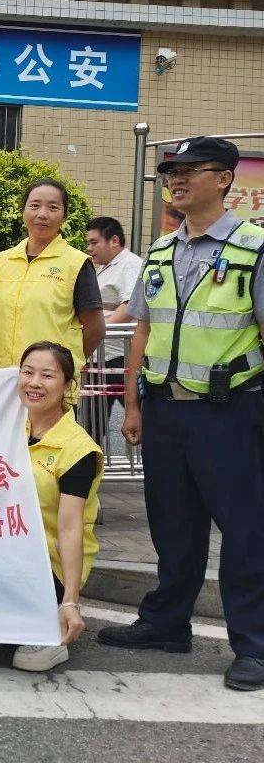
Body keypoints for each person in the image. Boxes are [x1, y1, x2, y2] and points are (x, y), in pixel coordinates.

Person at [98, 137, 264, 692]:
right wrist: (135, 403)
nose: (177, 178)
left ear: (225, 180)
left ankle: (254, 646)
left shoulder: (254, 248)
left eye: (192, 170)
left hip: (232, 411)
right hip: (166, 412)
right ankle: (167, 622)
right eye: (172, 170)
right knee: (172, 523)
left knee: (245, 532)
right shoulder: (163, 250)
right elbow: (142, 329)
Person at [12, 342, 103, 673]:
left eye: (47, 375)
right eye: (27, 372)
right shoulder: (6, 428)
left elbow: (69, 527)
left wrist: (70, 599)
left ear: (68, 385)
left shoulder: (77, 450)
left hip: (46, 564)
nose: (34, 383)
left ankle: (52, 619)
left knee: (29, 659)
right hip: (5, 549)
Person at [0, 179, 105, 381]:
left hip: (49, 385)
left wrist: (64, 365)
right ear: (23, 211)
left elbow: (95, 328)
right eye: (34, 206)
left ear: (64, 215)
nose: (42, 214)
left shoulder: (76, 263)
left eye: (53, 207)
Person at [85, 216, 143, 413]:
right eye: (88, 243)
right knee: (93, 415)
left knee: (135, 412)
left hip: (117, 355)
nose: (89, 248)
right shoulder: (105, 268)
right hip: (102, 353)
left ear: (114, 241)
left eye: (94, 242)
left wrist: (98, 331)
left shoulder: (130, 265)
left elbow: (130, 306)